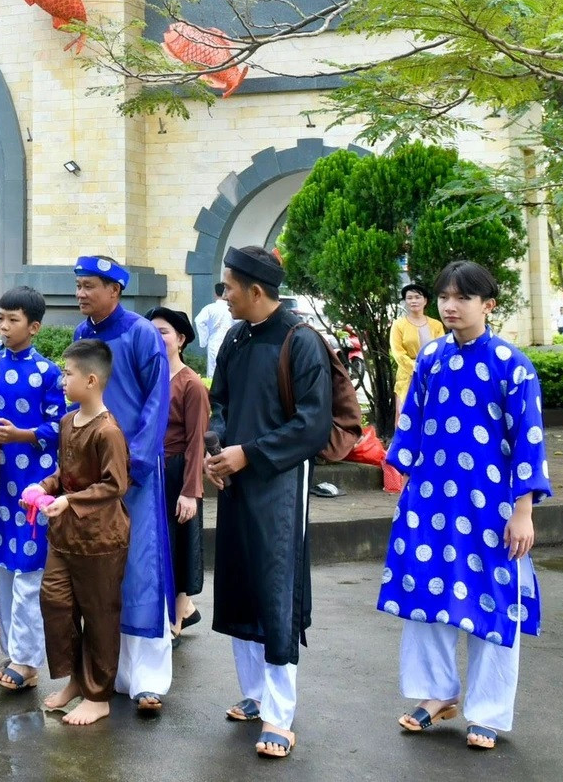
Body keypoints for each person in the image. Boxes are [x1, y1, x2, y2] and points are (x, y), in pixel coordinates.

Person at [382, 259, 551, 751]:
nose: (450, 306)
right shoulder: (431, 358)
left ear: (488, 305)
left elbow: (529, 440)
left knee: (494, 601)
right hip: (429, 499)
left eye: (463, 298)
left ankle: (488, 712)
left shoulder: (512, 365)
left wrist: (523, 511)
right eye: (444, 297)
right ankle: (438, 694)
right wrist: (406, 488)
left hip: (491, 508)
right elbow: (412, 424)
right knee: (424, 594)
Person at [205, 245, 331, 760]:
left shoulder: (301, 341)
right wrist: (217, 448)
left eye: (230, 287)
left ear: (256, 291)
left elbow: (312, 424)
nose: (224, 296)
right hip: (235, 478)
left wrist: (249, 454)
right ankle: (255, 693)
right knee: (241, 582)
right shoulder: (235, 337)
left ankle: (280, 713)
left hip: (279, 482)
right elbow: (219, 401)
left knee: (277, 588)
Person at [70, 254, 174, 713]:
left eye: (89, 286)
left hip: (135, 472)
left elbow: (157, 399)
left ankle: (148, 679)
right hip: (94, 474)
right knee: (99, 573)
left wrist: (136, 462)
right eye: (78, 285)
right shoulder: (81, 334)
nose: (80, 293)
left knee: (140, 568)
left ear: (114, 290)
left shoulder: (141, 333)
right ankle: (107, 672)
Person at [0, 285, 69, 691]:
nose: (4, 327)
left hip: (34, 486)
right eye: (0, 318)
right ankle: (14, 653)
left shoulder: (48, 373)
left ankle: (28, 661)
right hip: (0, 485)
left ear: (34, 327)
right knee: (4, 572)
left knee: (29, 573)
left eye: (13, 320)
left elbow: (59, 426)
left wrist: (21, 435)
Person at [37, 337, 131, 727]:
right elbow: (67, 471)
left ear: (91, 380)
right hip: (65, 535)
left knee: (99, 615)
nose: (63, 380)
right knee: (56, 603)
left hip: (101, 538)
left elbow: (115, 484)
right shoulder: (66, 422)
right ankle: (76, 680)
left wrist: (70, 501)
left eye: (68, 373)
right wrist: (46, 485)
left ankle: (98, 695)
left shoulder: (107, 431)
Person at [147, 306, 208, 636]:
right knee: (158, 544)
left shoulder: (191, 384)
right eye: (152, 332)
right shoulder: (148, 377)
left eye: (164, 332)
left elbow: (197, 441)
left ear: (181, 339)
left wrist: (190, 491)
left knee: (182, 544)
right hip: (151, 472)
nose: (157, 339)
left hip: (178, 471)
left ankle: (177, 620)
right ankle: (186, 609)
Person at [391, 281, 443, 403]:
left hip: (432, 374)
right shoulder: (398, 325)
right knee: (407, 411)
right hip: (407, 376)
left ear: (425, 301)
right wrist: (416, 367)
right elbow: (398, 353)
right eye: (409, 298)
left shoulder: (436, 325)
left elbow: (441, 351)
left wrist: (432, 369)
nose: (413, 301)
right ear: (405, 301)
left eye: (417, 297)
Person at [194, 281, 233, 364]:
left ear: (215, 293)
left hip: (214, 341)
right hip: (230, 340)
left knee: (213, 367)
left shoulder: (209, 308)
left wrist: (204, 340)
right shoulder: (232, 308)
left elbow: (199, 321)